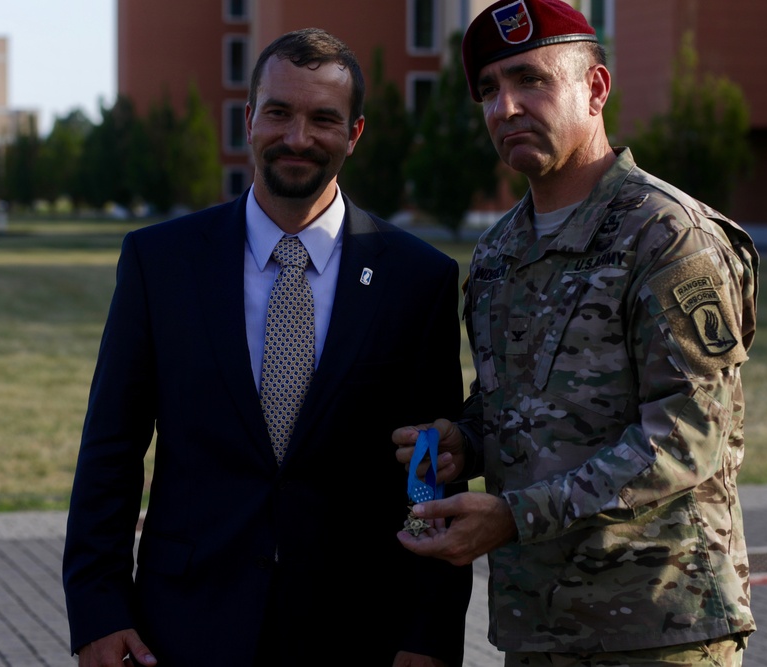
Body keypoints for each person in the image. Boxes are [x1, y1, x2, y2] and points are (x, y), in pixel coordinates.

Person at [63, 28, 471, 667]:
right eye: (279, 112)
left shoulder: (418, 280)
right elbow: (110, 448)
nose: (298, 137)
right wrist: (97, 613)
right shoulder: (160, 262)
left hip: (356, 629)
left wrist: (429, 635)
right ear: (250, 119)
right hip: (184, 624)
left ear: (355, 134)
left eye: (323, 119)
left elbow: (428, 477)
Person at [393, 1, 759, 665]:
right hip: (538, 626)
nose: (505, 108)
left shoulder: (667, 235)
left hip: (658, 624)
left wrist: (514, 515)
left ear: (595, 88)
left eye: (530, 79)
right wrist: (465, 443)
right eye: (488, 89)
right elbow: (518, 404)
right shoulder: (500, 250)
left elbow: (687, 436)